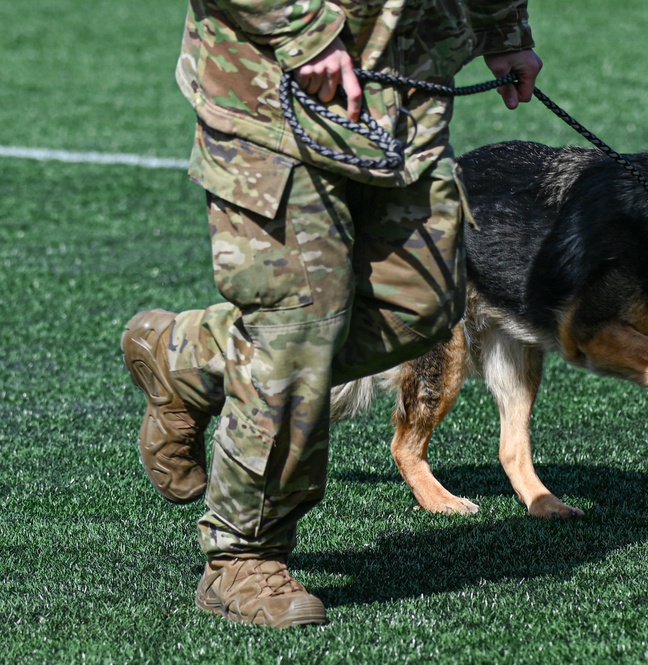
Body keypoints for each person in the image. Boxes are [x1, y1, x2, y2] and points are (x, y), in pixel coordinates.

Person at [121, 0, 542, 628]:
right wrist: (305, 32)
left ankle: (187, 356)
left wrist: (503, 28)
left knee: (422, 309)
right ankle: (244, 557)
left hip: (401, 110)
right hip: (274, 98)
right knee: (297, 332)